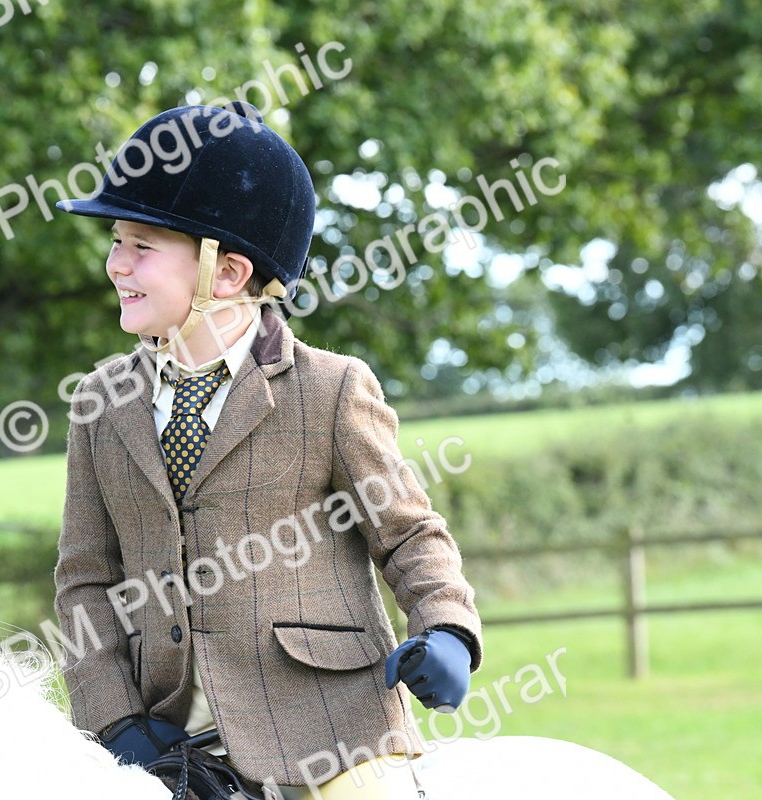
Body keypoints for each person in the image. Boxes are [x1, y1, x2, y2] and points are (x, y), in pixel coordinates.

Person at [52, 101, 481, 800]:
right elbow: (85, 581)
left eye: (142, 246)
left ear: (226, 274)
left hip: (331, 733)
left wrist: (449, 632)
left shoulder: (333, 391)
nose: (116, 265)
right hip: (163, 741)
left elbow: (409, 537)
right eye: (115, 241)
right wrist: (116, 718)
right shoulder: (99, 405)